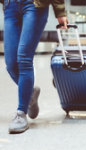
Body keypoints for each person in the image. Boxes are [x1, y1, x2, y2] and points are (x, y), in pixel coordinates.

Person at [0, 0, 68, 134]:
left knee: (24, 58)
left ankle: (21, 113)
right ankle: (30, 93)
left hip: (33, 5)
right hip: (10, 6)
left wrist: (59, 10)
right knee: (11, 63)